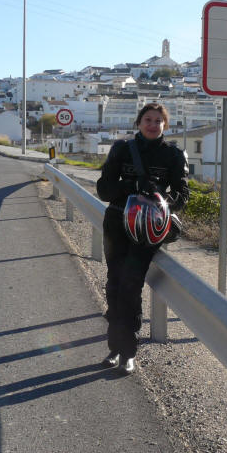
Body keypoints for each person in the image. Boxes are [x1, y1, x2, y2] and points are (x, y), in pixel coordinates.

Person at [96, 102, 189, 374]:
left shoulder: (174, 155)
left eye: (158, 121)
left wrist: (161, 200)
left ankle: (128, 353)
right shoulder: (122, 149)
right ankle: (115, 348)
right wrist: (131, 186)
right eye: (148, 119)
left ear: (165, 125)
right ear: (138, 122)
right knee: (114, 283)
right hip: (117, 223)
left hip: (149, 229)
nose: (152, 124)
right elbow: (104, 189)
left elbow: (183, 196)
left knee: (130, 283)